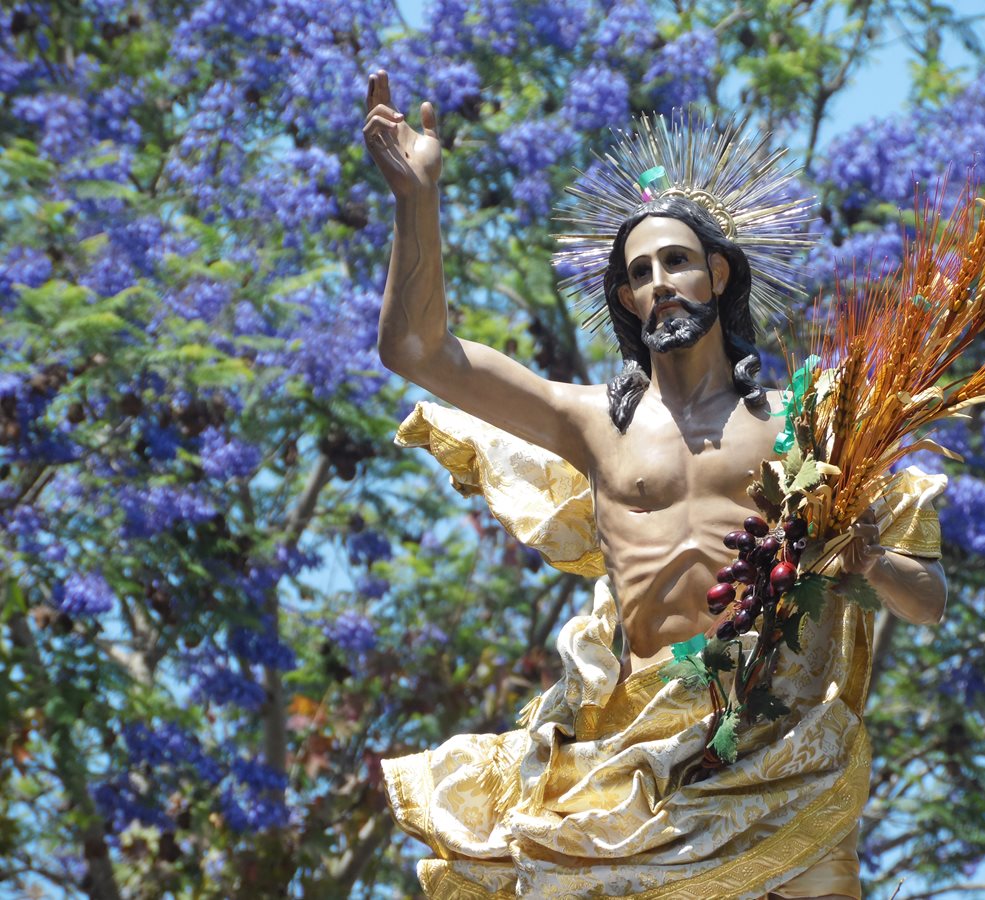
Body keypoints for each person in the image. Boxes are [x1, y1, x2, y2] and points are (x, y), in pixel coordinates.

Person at [363, 69, 947, 899]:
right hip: (633, 761)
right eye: (640, 272)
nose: (660, 281)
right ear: (627, 300)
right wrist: (415, 200)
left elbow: (928, 602)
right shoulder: (592, 422)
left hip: (778, 758)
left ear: (719, 274)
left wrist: (870, 563)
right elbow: (417, 351)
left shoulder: (810, 422)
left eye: (677, 261)